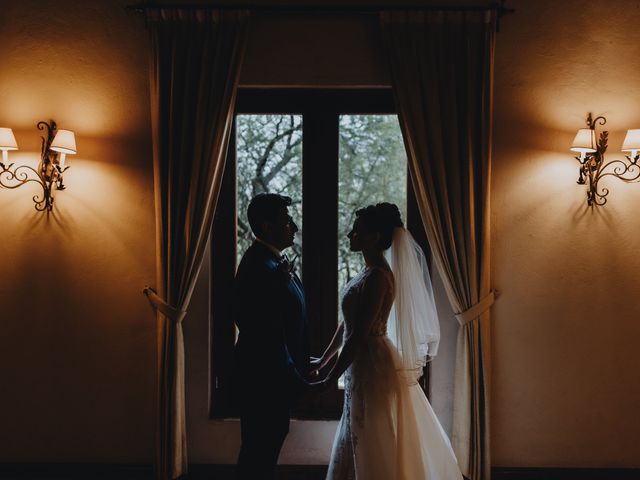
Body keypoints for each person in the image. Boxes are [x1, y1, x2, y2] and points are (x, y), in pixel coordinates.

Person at [311, 203, 463, 480]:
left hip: (372, 363)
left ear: (374, 236)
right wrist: (325, 358)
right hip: (360, 361)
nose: (350, 235)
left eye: (357, 231)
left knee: (371, 429)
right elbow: (348, 324)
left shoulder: (379, 278)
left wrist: (329, 378)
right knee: (357, 423)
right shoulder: (366, 274)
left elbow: (359, 335)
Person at [233, 193, 309, 480]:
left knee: (262, 454)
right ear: (267, 227)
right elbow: (263, 330)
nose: (294, 227)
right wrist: (293, 373)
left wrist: (304, 359)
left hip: (271, 379)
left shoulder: (270, 262)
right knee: (257, 457)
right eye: (287, 221)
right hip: (264, 380)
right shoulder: (258, 267)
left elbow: (289, 324)